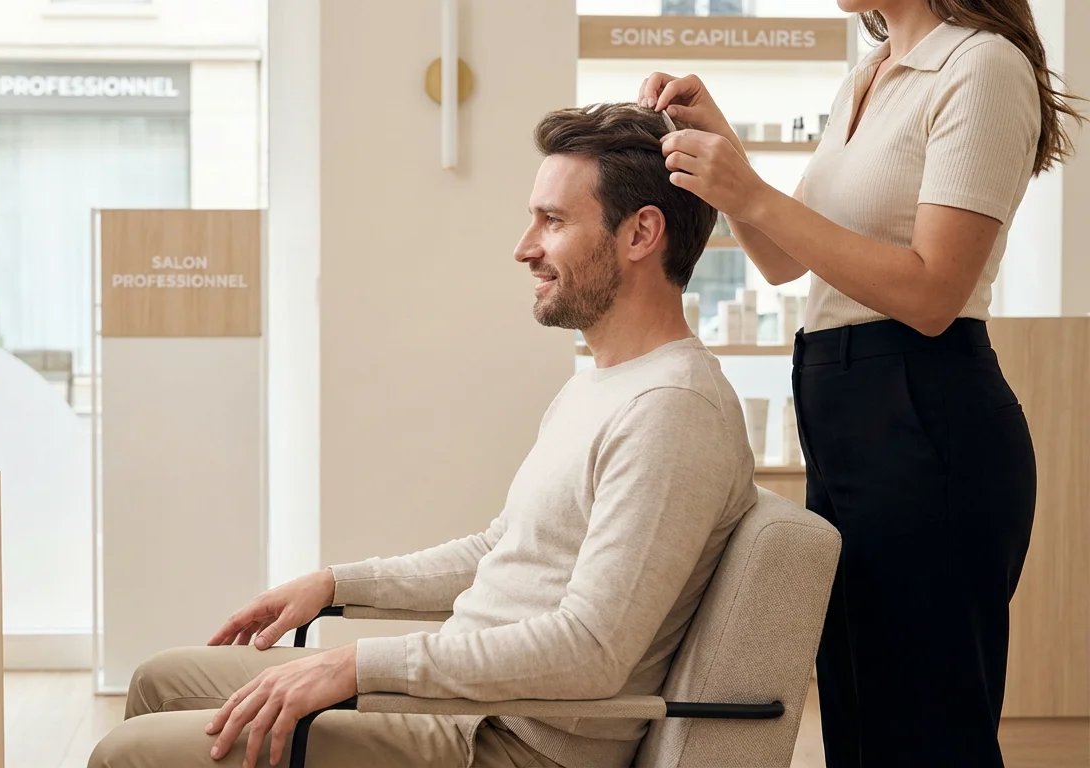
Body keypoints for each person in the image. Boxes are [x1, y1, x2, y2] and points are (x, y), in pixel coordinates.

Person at [88, 102, 757, 768]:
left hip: (506, 742)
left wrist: (358, 666)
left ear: (641, 234)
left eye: (552, 221)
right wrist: (335, 584)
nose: (524, 247)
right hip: (460, 709)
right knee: (161, 680)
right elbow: (508, 549)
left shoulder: (674, 411)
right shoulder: (603, 382)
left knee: (130, 755)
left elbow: (591, 651)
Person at [639, 2, 1082, 766]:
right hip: (841, 409)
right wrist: (722, 149)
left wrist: (747, 190)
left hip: (925, 410)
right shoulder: (867, 76)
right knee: (858, 714)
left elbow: (932, 295)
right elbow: (783, 259)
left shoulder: (981, 66)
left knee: (928, 730)